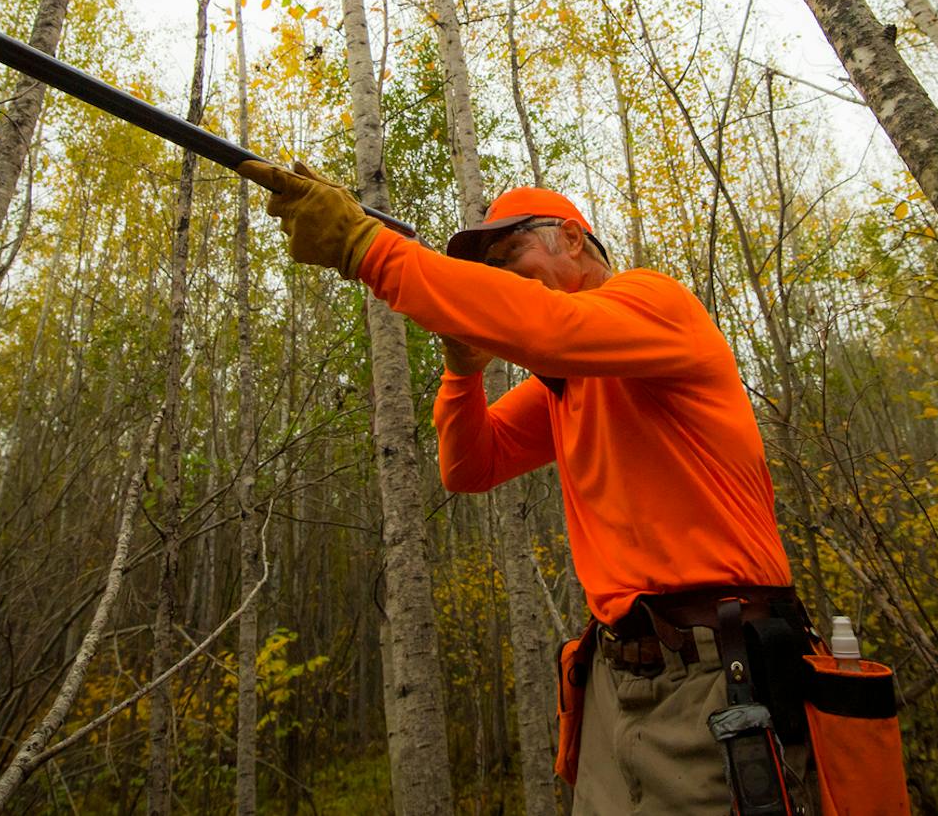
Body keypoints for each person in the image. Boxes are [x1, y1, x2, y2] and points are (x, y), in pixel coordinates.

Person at [238, 161, 817, 814]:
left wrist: (364, 247)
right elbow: (469, 464)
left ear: (572, 239)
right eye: (492, 270)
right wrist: (463, 371)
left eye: (512, 255)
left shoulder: (657, 302)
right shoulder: (569, 384)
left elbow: (549, 325)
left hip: (718, 675)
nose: (502, 280)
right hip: (619, 681)